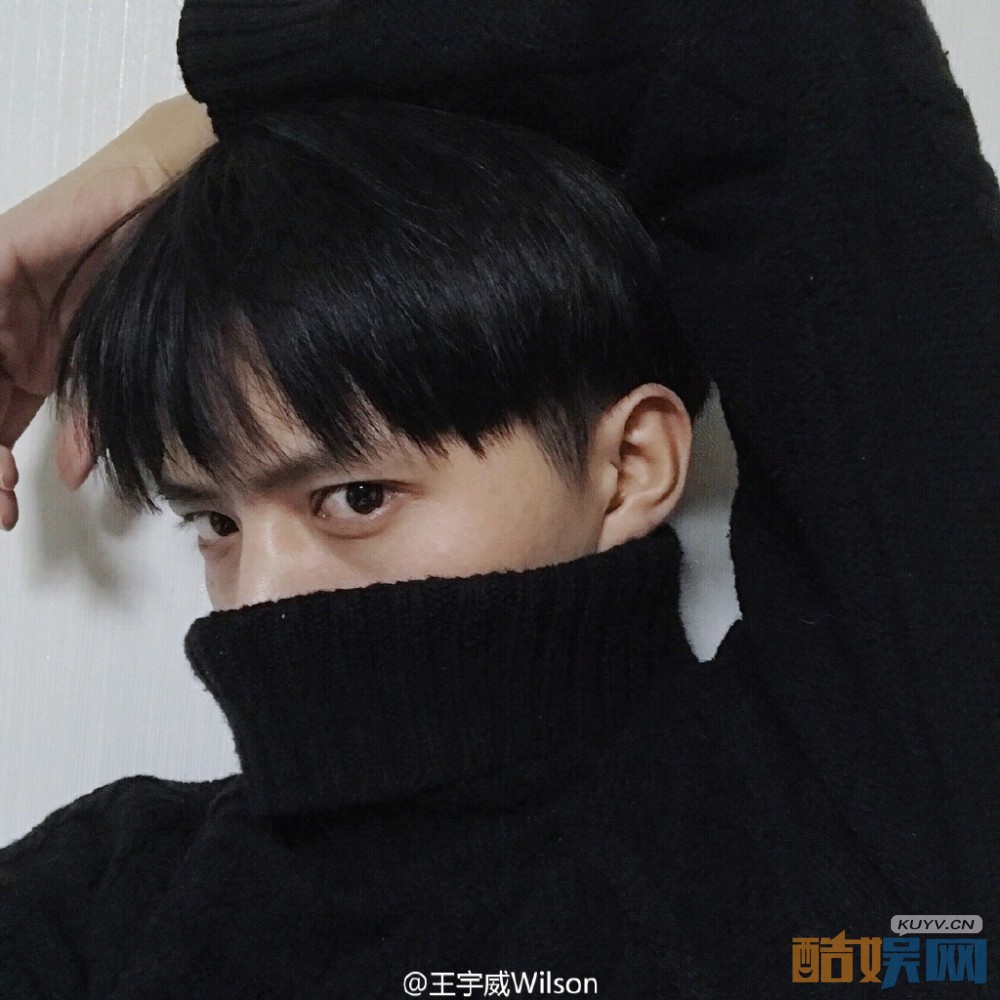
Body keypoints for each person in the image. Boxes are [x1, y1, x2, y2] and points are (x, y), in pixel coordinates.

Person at [1, 0, 997, 996]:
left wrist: (192, 126)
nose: (255, 596)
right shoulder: (105, 903)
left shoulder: (857, 822)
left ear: (632, 463)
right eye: (215, 522)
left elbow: (784, 40)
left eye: (354, 495)